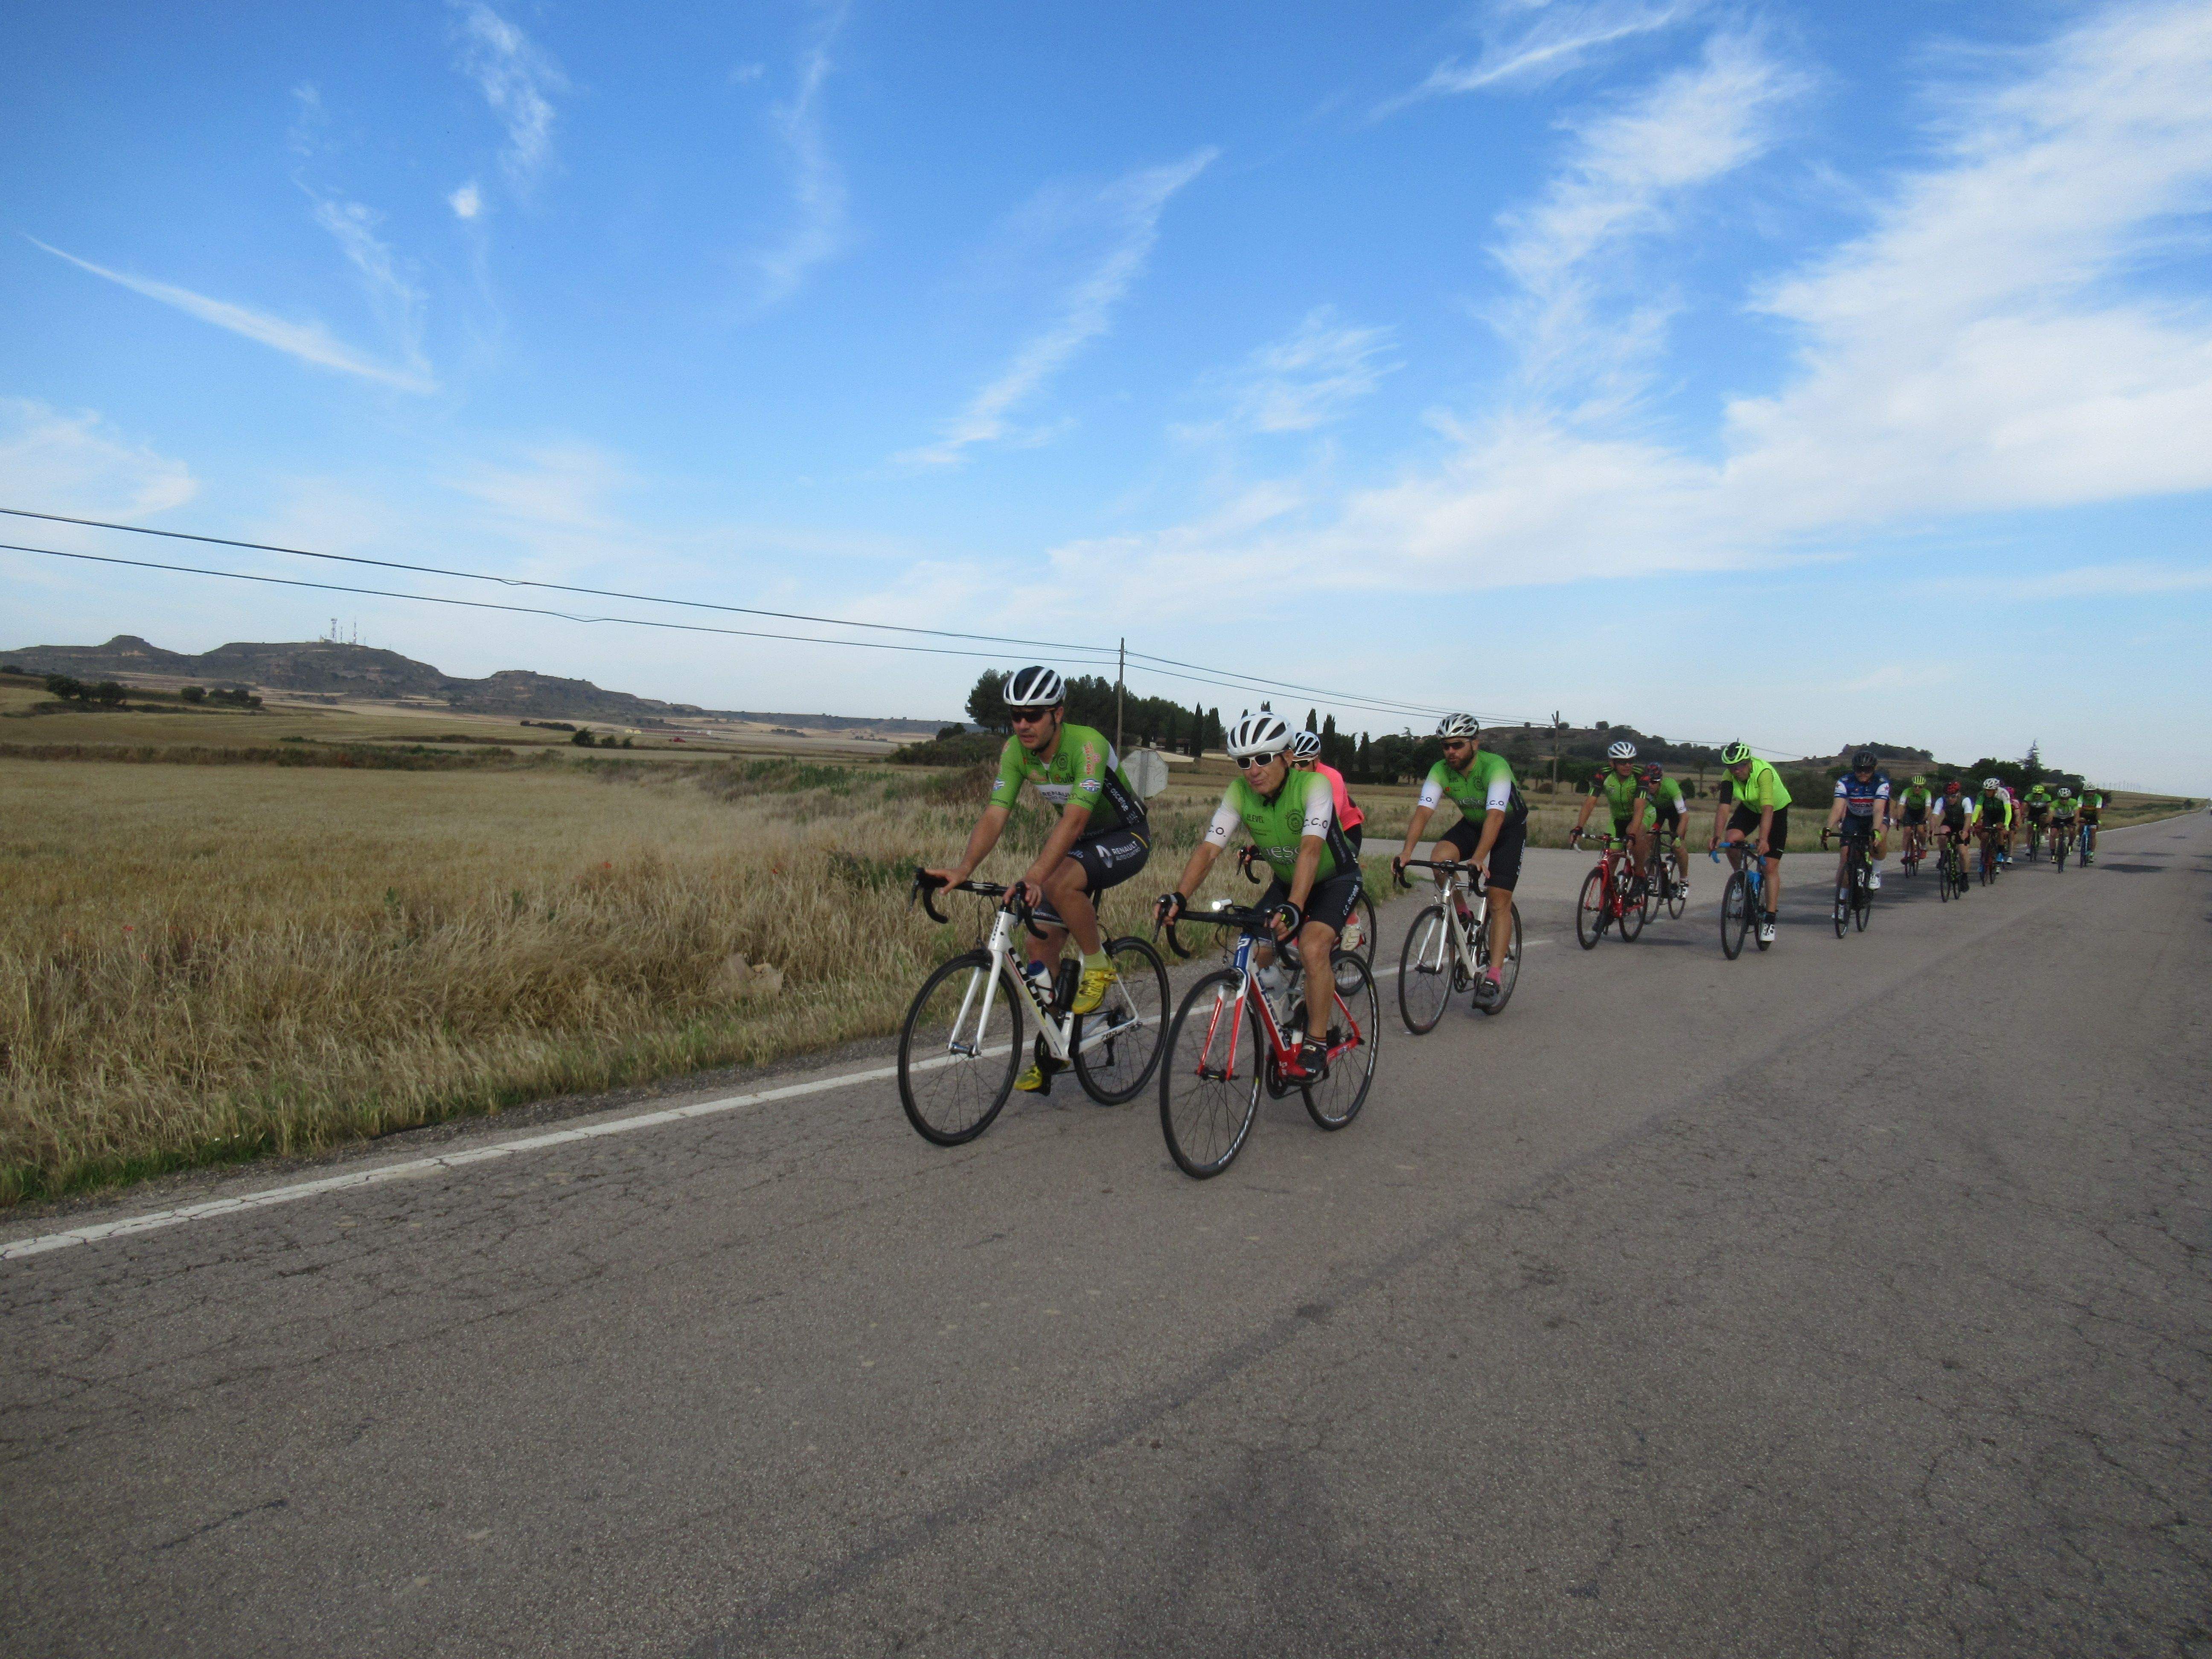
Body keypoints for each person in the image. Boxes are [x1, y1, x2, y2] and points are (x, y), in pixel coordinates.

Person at [923, 666, 1150, 1093]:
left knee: (1057, 883)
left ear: (1057, 714)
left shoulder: (1088, 745)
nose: (1023, 724)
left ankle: (1098, 965)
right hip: (1081, 844)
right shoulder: (1016, 752)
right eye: (1016, 716)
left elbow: (1075, 819)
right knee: (1037, 944)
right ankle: (1056, 1046)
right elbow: (995, 814)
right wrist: (964, 868)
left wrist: (1032, 877)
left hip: (1125, 835)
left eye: (1033, 715)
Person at [1155, 712, 1360, 1080]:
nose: (1253, 770)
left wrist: (1295, 907)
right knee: (1255, 947)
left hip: (1335, 880)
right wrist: (1180, 897)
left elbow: (1311, 849)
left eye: (1263, 758)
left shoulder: (1314, 786)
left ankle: (1316, 1041)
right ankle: (1289, 1019)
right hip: (1287, 881)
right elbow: (1209, 849)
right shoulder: (1239, 792)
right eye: (1244, 762)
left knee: (1313, 946)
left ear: (1287, 756)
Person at [1393, 713, 1527, 1008]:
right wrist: (1406, 852)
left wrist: (1479, 858)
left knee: (1498, 898)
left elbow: (1496, 816)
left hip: (1508, 828)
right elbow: (1423, 812)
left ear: (1475, 744)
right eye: (1446, 746)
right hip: (1474, 825)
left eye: (1458, 745)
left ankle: (1493, 977)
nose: (1451, 751)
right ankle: (1464, 914)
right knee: (1440, 860)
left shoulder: (1495, 767)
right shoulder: (1440, 770)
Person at [1711, 742, 1790, 945]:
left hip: (1775, 810)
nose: (1736, 771)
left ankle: (1770, 920)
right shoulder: (1728, 776)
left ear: (1748, 762)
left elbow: (1768, 809)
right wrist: (1716, 835)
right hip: (1749, 808)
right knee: (1731, 841)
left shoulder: (1763, 772)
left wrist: (1763, 840)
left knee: (1770, 867)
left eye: (1740, 766)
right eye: (1731, 767)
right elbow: (1724, 807)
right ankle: (1741, 880)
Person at [1570, 741, 1651, 875]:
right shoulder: (1604, 774)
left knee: (1633, 832)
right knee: (1612, 857)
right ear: (1612, 763)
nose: (1628, 765)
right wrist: (1579, 827)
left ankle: (1640, 874)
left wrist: (1631, 835)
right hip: (1618, 818)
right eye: (1622, 762)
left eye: (1631, 761)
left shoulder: (1641, 774)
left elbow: (1639, 808)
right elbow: (1590, 803)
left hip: (1643, 814)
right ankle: (1609, 886)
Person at [1825, 749, 1892, 895]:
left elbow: (1879, 810)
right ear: (1854, 768)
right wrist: (1828, 828)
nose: (1863, 773)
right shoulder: (1845, 782)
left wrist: (1875, 830)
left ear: (1874, 769)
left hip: (1874, 817)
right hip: (1854, 818)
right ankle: (1843, 898)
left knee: (1879, 838)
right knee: (1845, 857)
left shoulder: (1881, 782)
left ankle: (1876, 872)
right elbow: (1837, 808)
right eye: (1859, 769)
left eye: (1867, 770)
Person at [1289, 729, 1364, 854]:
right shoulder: (1289, 776)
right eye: (1292, 763)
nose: (1297, 769)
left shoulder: (1331, 777)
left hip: (1345, 830)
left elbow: (1330, 818)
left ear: (1316, 761)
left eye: (1303, 763)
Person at [1642, 761, 1691, 890]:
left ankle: (1684, 881)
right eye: (1648, 782)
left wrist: (1678, 837)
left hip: (1676, 813)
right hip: (1659, 813)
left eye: (1654, 782)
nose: (1650, 785)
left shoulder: (1670, 786)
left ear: (1660, 781)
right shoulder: (1643, 790)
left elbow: (1684, 817)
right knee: (1646, 840)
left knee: (1678, 847)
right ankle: (1651, 875)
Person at [1936, 779, 1973, 888]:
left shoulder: (1965, 800)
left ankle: (1965, 877)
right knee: (1942, 834)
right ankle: (1944, 856)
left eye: (1953, 797)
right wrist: (1932, 828)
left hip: (1962, 824)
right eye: (1947, 797)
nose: (1950, 799)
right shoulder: (1941, 800)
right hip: (1949, 823)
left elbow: (1968, 817)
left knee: (1962, 852)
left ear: (1959, 795)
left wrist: (1965, 831)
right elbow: (1935, 815)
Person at [1974, 776, 2012, 878]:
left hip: (2001, 814)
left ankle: (2000, 852)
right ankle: (1983, 858)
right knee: (1985, 836)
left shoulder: (2003, 793)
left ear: (1996, 790)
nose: (1987, 792)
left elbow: (2008, 811)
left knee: (2000, 830)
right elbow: (1977, 809)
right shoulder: (1982, 794)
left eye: (1990, 790)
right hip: (1989, 815)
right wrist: (1973, 823)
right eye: (1986, 790)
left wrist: (2006, 825)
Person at [1895, 774, 1933, 869]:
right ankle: (1905, 855)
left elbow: (1928, 808)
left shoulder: (1927, 793)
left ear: (1923, 787)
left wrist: (1925, 819)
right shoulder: (1907, 791)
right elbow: (1901, 806)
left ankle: (1923, 848)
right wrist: (1899, 817)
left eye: (1920, 787)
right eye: (1915, 786)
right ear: (1912, 786)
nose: (1917, 788)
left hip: (1921, 812)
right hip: (1910, 811)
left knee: (1921, 830)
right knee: (1907, 832)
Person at [2048, 786, 2079, 859]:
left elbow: (2077, 814)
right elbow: (2051, 815)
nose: (2064, 801)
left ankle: (2070, 844)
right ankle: (2053, 854)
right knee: (2053, 834)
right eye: (2062, 799)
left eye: (2067, 799)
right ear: (2059, 798)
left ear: (2069, 798)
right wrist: (2048, 824)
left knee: (2072, 831)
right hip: (2057, 819)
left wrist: (2074, 823)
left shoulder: (2074, 802)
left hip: (2069, 819)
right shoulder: (2054, 803)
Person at [2076, 786, 2103, 863]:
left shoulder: (2098, 798)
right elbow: (2079, 809)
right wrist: (2077, 819)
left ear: (2095, 792)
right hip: (2084, 815)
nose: (2090, 793)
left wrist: (2098, 821)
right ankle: (2081, 837)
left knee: (2093, 833)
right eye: (2087, 791)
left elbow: (2098, 810)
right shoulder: (2081, 797)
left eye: (2092, 791)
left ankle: (2092, 854)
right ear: (2084, 792)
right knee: (2081, 825)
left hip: (2094, 816)